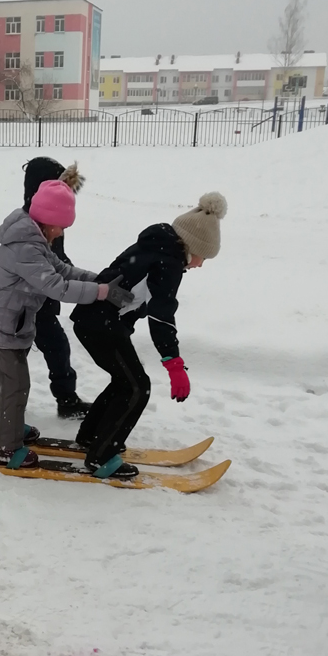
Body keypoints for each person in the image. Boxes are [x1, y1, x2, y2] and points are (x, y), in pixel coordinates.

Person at [0, 177, 131, 469]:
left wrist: (96, 279)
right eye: (59, 226)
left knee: (10, 383)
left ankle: (9, 425)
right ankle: (5, 447)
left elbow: (60, 269)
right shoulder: (26, 247)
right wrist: (102, 293)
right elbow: (56, 286)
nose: (60, 233)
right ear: (46, 220)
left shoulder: (32, 237)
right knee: (13, 386)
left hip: (4, 319)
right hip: (2, 323)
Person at [71, 192, 228, 479]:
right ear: (193, 247)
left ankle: (92, 438)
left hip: (94, 321)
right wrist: (173, 362)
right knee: (136, 387)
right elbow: (161, 315)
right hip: (99, 325)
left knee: (125, 382)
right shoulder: (168, 261)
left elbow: (125, 288)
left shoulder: (155, 246)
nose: (200, 265)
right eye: (203, 257)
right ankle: (101, 456)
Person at [0, 158, 94, 420]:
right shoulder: (37, 223)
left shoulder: (45, 214)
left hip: (34, 300)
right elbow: (51, 270)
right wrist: (91, 289)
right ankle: (65, 400)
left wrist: (82, 276)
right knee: (47, 349)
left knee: (14, 355)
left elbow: (58, 261)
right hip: (29, 301)